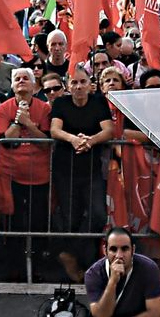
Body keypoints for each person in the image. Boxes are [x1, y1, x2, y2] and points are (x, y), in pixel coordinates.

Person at [48, 64, 114, 281]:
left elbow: (108, 130)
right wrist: (74, 139)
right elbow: (55, 129)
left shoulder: (98, 103)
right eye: (74, 83)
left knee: (97, 214)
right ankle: (73, 260)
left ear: (90, 85)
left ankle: (70, 254)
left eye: (82, 82)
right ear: (68, 85)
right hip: (65, 170)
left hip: (91, 169)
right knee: (71, 218)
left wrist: (90, 141)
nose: (78, 87)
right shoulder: (61, 103)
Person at [0, 68, 53, 280]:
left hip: (39, 176)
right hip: (12, 176)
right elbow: (6, 141)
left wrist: (28, 124)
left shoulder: (45, 109)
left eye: (25, 78)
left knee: (37, 223)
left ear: (34, 84)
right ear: (11, 86)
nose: (21, 82)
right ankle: (15, 269)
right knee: (14, 224)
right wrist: (19, 121)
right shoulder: (3, 109)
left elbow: (47, 143)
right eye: (17, 79)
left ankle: (36, 268)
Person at [85, 227, 160, 317]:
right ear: (105, 251)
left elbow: (156, 313)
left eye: (124, 249)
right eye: (113, 249)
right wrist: (112, 282)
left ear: (133, 250)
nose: (119, 255)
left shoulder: (149, 268)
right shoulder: (93, 273)